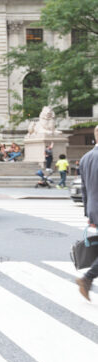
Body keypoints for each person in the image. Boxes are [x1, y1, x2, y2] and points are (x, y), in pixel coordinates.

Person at [75, 125, 98, 301]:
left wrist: (88, 214)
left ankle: (87, 279)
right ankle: (87, 278)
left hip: (93, 209)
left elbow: (84, 189)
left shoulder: (85, 158)